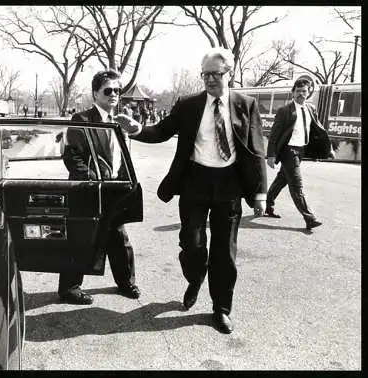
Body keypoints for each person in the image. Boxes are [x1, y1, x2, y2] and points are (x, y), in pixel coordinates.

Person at [115, 47, 267, 334]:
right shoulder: (188, 104)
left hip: (230, 186)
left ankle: (221, 308)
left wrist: (260, 193)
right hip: (195, 183)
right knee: (192, 244)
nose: (210, 80)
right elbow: (161, 131)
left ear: (229, 73)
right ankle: (196, 278)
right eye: (205, 74)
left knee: (225, 253)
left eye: (216, 74)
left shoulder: (246, 104)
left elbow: (256, 149)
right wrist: (136, 129)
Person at [59, 70, 141, 305]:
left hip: (116, 189)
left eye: (117, 90)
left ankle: (125, 282)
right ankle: (69, 288)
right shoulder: (81, 120)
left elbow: (122, 156)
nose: (114, 94)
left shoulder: (121, 121)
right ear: (95, 93)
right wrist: (93, 181)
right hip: (89, 189)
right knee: (81, 238)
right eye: (108, 90)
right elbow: (72, 157)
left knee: (119, 237)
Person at [265, 78, 335, 229]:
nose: (301, 94)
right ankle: (309, 218)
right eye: (298, 91)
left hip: (301, 150)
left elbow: (319, 130)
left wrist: (328, 148)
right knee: (296, 185)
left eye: (304, 91)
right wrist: (271, 155)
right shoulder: (284, 111)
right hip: (288, 151)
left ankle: (267, 205)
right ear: (292, 92)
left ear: (309, 92)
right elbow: (274, 134)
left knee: (281, 180)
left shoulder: (311, 109)